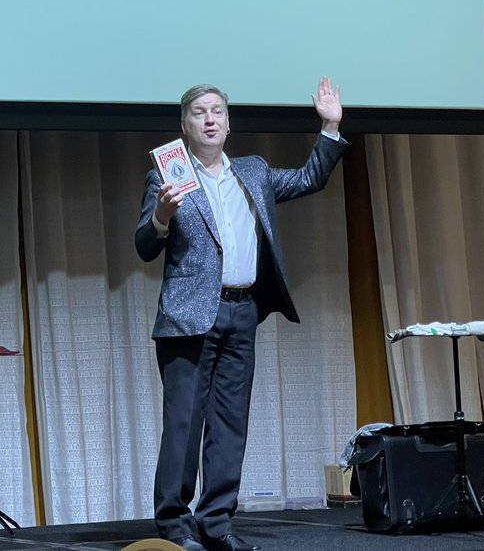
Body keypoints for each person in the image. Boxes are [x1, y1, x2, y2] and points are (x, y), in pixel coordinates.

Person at [135, 78, 345, 551]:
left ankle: (216, 522)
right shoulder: (167, 176)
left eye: (217, 112)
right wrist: (162, 217)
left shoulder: (253, 172)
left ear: (228, 124)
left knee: (232, 422)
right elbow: (146, 246)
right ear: (185, 125)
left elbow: (310, 178)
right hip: (189, 319)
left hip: (241, 311)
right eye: (199, 113)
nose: (209, 120)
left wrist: (330, 127)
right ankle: (174, 524)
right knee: (185, 426)